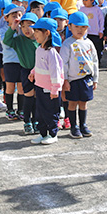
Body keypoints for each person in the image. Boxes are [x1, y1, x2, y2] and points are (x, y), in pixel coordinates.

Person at [61, 11, 99, 139]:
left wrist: (95, 79)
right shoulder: (67, 44)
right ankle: (73, 127)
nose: (80, 30)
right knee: (72, 103)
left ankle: (83, 125)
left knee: (83, 103)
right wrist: (65, 80)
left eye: (83, 27)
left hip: (86, 79)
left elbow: (94, 61)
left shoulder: (89, 43)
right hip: (73, 80)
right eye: (77, 26)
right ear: (70, 26)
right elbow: (64, 64)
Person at [29, 17, 65, 145]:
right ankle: (43, 134)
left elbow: (55, 72)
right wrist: (33, 73)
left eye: (37, 32)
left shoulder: (52, 53)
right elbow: (38, 66)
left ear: (47, 33)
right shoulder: (39, 50)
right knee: (40, 112)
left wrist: (55, 89)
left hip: (50, 90)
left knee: (51, 112)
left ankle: (53, 134)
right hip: (39, 86)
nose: (35, 35)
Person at [4, 11, 40, 135]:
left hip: (40, 73)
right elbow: (7, 41)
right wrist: (13, 28)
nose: (26, 29)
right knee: (28, 96)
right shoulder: (19, 40)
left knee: (37, 97)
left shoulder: (40, 41)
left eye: (30, 25)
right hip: (26, 72)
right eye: (23, 26)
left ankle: (36, 121)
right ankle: (27, 121)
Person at [0, 4, 25, 120]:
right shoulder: (3, 30)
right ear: (6, 18)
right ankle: (9, 109)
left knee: (21, 87)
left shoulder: (23, 30)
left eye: (19, 15)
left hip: (21, 62)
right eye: (13, 15)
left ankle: (21, 109)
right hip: (10, 62)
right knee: (10, 87)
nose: (17, 18)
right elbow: (6, 43)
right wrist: (13, 29)